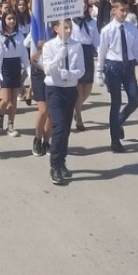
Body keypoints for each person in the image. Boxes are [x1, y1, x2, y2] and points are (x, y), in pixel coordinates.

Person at [95, 0, 138, 152]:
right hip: (113, 67)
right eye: (122, 10)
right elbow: (102, 52)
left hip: (128, 66)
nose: (124, 13)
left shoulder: (131, 29)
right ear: (114, 10)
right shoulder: (107, 30)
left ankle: (118, 122)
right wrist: (99, 71)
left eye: (126, 10)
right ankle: (115, 140)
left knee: (134, 100)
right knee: (116, 102)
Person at [41, 19, 85, 184]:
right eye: (65, 28)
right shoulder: (49, 46)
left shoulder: (76, 46)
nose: (68, 31)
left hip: (70, 90)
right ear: (56, 28)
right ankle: (54, 166)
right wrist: (58, 57)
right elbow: (47, 69)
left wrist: (72, 74)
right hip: (54, 89)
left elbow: (81, 69)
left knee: (66, 128)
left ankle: (62, 161)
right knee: (58, 127)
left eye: (70, 28)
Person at [0, 11, 29, 136]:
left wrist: (28, 68)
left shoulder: (19, 35)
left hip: (15, 66)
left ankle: (10, 125)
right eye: (9, 19)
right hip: (5, 66)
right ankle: (0, 116)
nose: (12, 21)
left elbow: (23, 53)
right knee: (5, 99)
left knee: (14, 99)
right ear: (4, 20)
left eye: (13, 19)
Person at [71, 2, 100, 131]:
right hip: (75, 52)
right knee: (78, 88)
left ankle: (76, 108)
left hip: (87, 53)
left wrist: (102, 55)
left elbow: (97, 41)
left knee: (87, 88)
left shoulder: (92, 22)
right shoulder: (71, 21)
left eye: (84, 3)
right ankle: (79, 118)